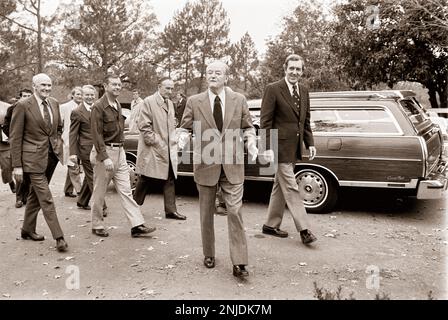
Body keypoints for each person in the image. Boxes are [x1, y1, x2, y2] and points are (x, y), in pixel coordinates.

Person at [178, 60, 258, 278]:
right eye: (209, 72)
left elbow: (248, 127)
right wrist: (182, 139)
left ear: (226, 77)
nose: (212, 75)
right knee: (206, 213)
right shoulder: (194, 102)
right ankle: (209, 253)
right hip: (206, 164)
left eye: (217, 72)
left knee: (235, 211)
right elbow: (185, 128)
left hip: (233, 165)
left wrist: (251, 142)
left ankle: (240, 261)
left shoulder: (239, 100)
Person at [260, 54, 317, 245]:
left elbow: (305, 120)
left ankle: (270, 224)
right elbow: (265, 122)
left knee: (279, 186)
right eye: (291, 68)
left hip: (294, 148)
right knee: (292, 187)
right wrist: (266, 147)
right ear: (285, 68)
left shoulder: (304, 90)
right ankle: (305, 230)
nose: (294, 72)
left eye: (298, 69)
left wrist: (310, 143)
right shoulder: (273, 89)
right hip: (278, 148)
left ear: (302, 71)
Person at [89, 73, 155, 238]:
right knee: (99, 191)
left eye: (119, 85)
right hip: (105, 153)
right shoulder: (98, 106)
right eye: (114, 85)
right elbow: (96, 135)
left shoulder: (117, 104)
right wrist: (105, 157)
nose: (117, 87)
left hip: (120, 152)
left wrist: (120, 152)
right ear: (106, 86)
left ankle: (136, 225)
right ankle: (97, 225)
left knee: (126, 190)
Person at [10, 73, 68, 252]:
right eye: (43, 85)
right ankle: (59, 237)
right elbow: (15, 137)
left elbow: (57, 128)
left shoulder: (54, 103)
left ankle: (27, 230)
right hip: (32, 160)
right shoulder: (22, 105)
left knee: (35, 195)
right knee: (46, 198)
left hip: (51, 157)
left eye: (49, 85)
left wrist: (57, 143)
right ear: (34, 86)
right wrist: (17, 165)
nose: (47, 89)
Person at [133, 78, 186, 220]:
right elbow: (144, 126)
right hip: (153, 148)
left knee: (169, 178)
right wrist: (157, 142)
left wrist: (173, 138)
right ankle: (133, 207)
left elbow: (169, 125)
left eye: (172, 88)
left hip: (166, 148)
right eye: (167, 88)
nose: (170, 91)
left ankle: (170, 210)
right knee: (145, 177)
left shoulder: (170, 103)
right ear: (159, 87)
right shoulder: (148, 102)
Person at [69, 85, 109, 215]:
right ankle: (101, 206)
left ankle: (82, 201)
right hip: (85, 149)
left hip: (99, 148)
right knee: (94, 176)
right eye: (87, 95)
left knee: (89, 176)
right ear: (82, 96)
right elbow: (73, 134)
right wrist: (72, 153)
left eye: (92, 95)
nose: (90, 97)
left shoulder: (98, 108)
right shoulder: (76, 112)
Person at [3, 89, 33, 207]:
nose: (26, 98)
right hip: (17, 143)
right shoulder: (12, 109)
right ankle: (19, 198)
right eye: (24, 96)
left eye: (28, 96)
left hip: (30, 143)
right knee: (19, 170)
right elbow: (6, 125)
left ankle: (28, 196)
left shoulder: (34, 109)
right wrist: (13, 137)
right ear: (19, 97)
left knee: (30, 172)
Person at [60, 87, 83, 198]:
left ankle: (68, 189)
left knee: (73, 164)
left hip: (81, 140)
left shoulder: (84, 107)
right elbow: (58, 124)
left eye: (81, 94)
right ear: (72, 95)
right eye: (78, 94)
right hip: (69, 139)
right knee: (73, 165)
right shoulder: (65, 107)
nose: (80, 96)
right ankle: (80, 192)